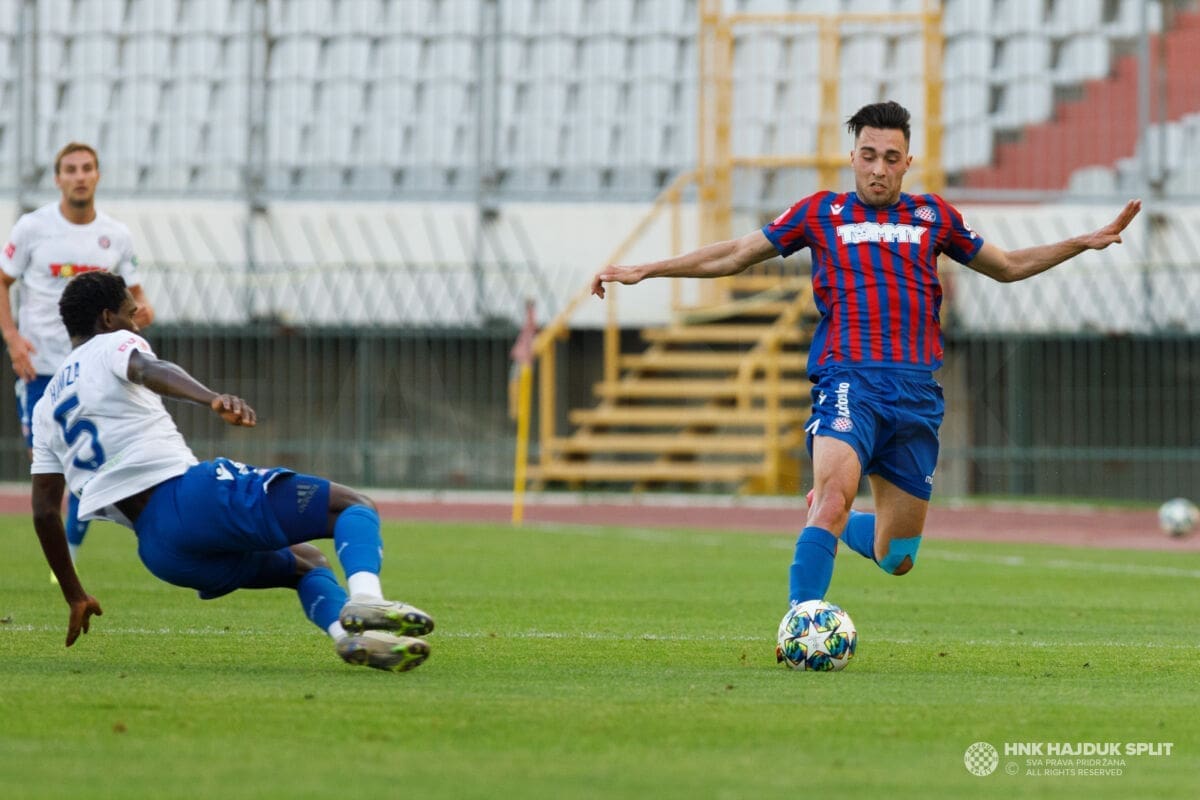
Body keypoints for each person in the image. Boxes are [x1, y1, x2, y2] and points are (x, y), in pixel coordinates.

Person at [591, 101, 1141, 645]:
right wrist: (647, 269)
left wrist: (1080, 243)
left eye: (891, 158)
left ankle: (826, 516)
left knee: (897, 557)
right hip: (848, 381)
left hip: (916, 395)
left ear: (907, 163)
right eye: (869, 155)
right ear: (852, 157)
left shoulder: (934, 217)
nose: (879, 168)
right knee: (836, 496)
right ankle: (802, 621)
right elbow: (735, 253)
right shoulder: (820, 212)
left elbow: (1009, 266)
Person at [30, 270, 434, 672]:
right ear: (107, 318)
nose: (136, 324)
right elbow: (149, 369)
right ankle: (366, 600)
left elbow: (44, 511)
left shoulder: (46, 406)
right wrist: (210, 398)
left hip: (162, 552)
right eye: (130, 314)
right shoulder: (112, 344)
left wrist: (74, 594)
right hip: (189, 499)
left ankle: (349, 637)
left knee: (308, 563)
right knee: (352, 506)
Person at [2, 142, 156, 573]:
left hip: (93, 368)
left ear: (98, 175)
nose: (79, 176)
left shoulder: (115, 236)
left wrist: (145, 311)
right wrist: (12, 337)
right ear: (58, 179)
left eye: (87, 168)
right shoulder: (33, 228)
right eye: (70, 169)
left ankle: (67, 559)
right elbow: (3, 281)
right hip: (40, 366)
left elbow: (137, 296)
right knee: (47, 464)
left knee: (86, 463)